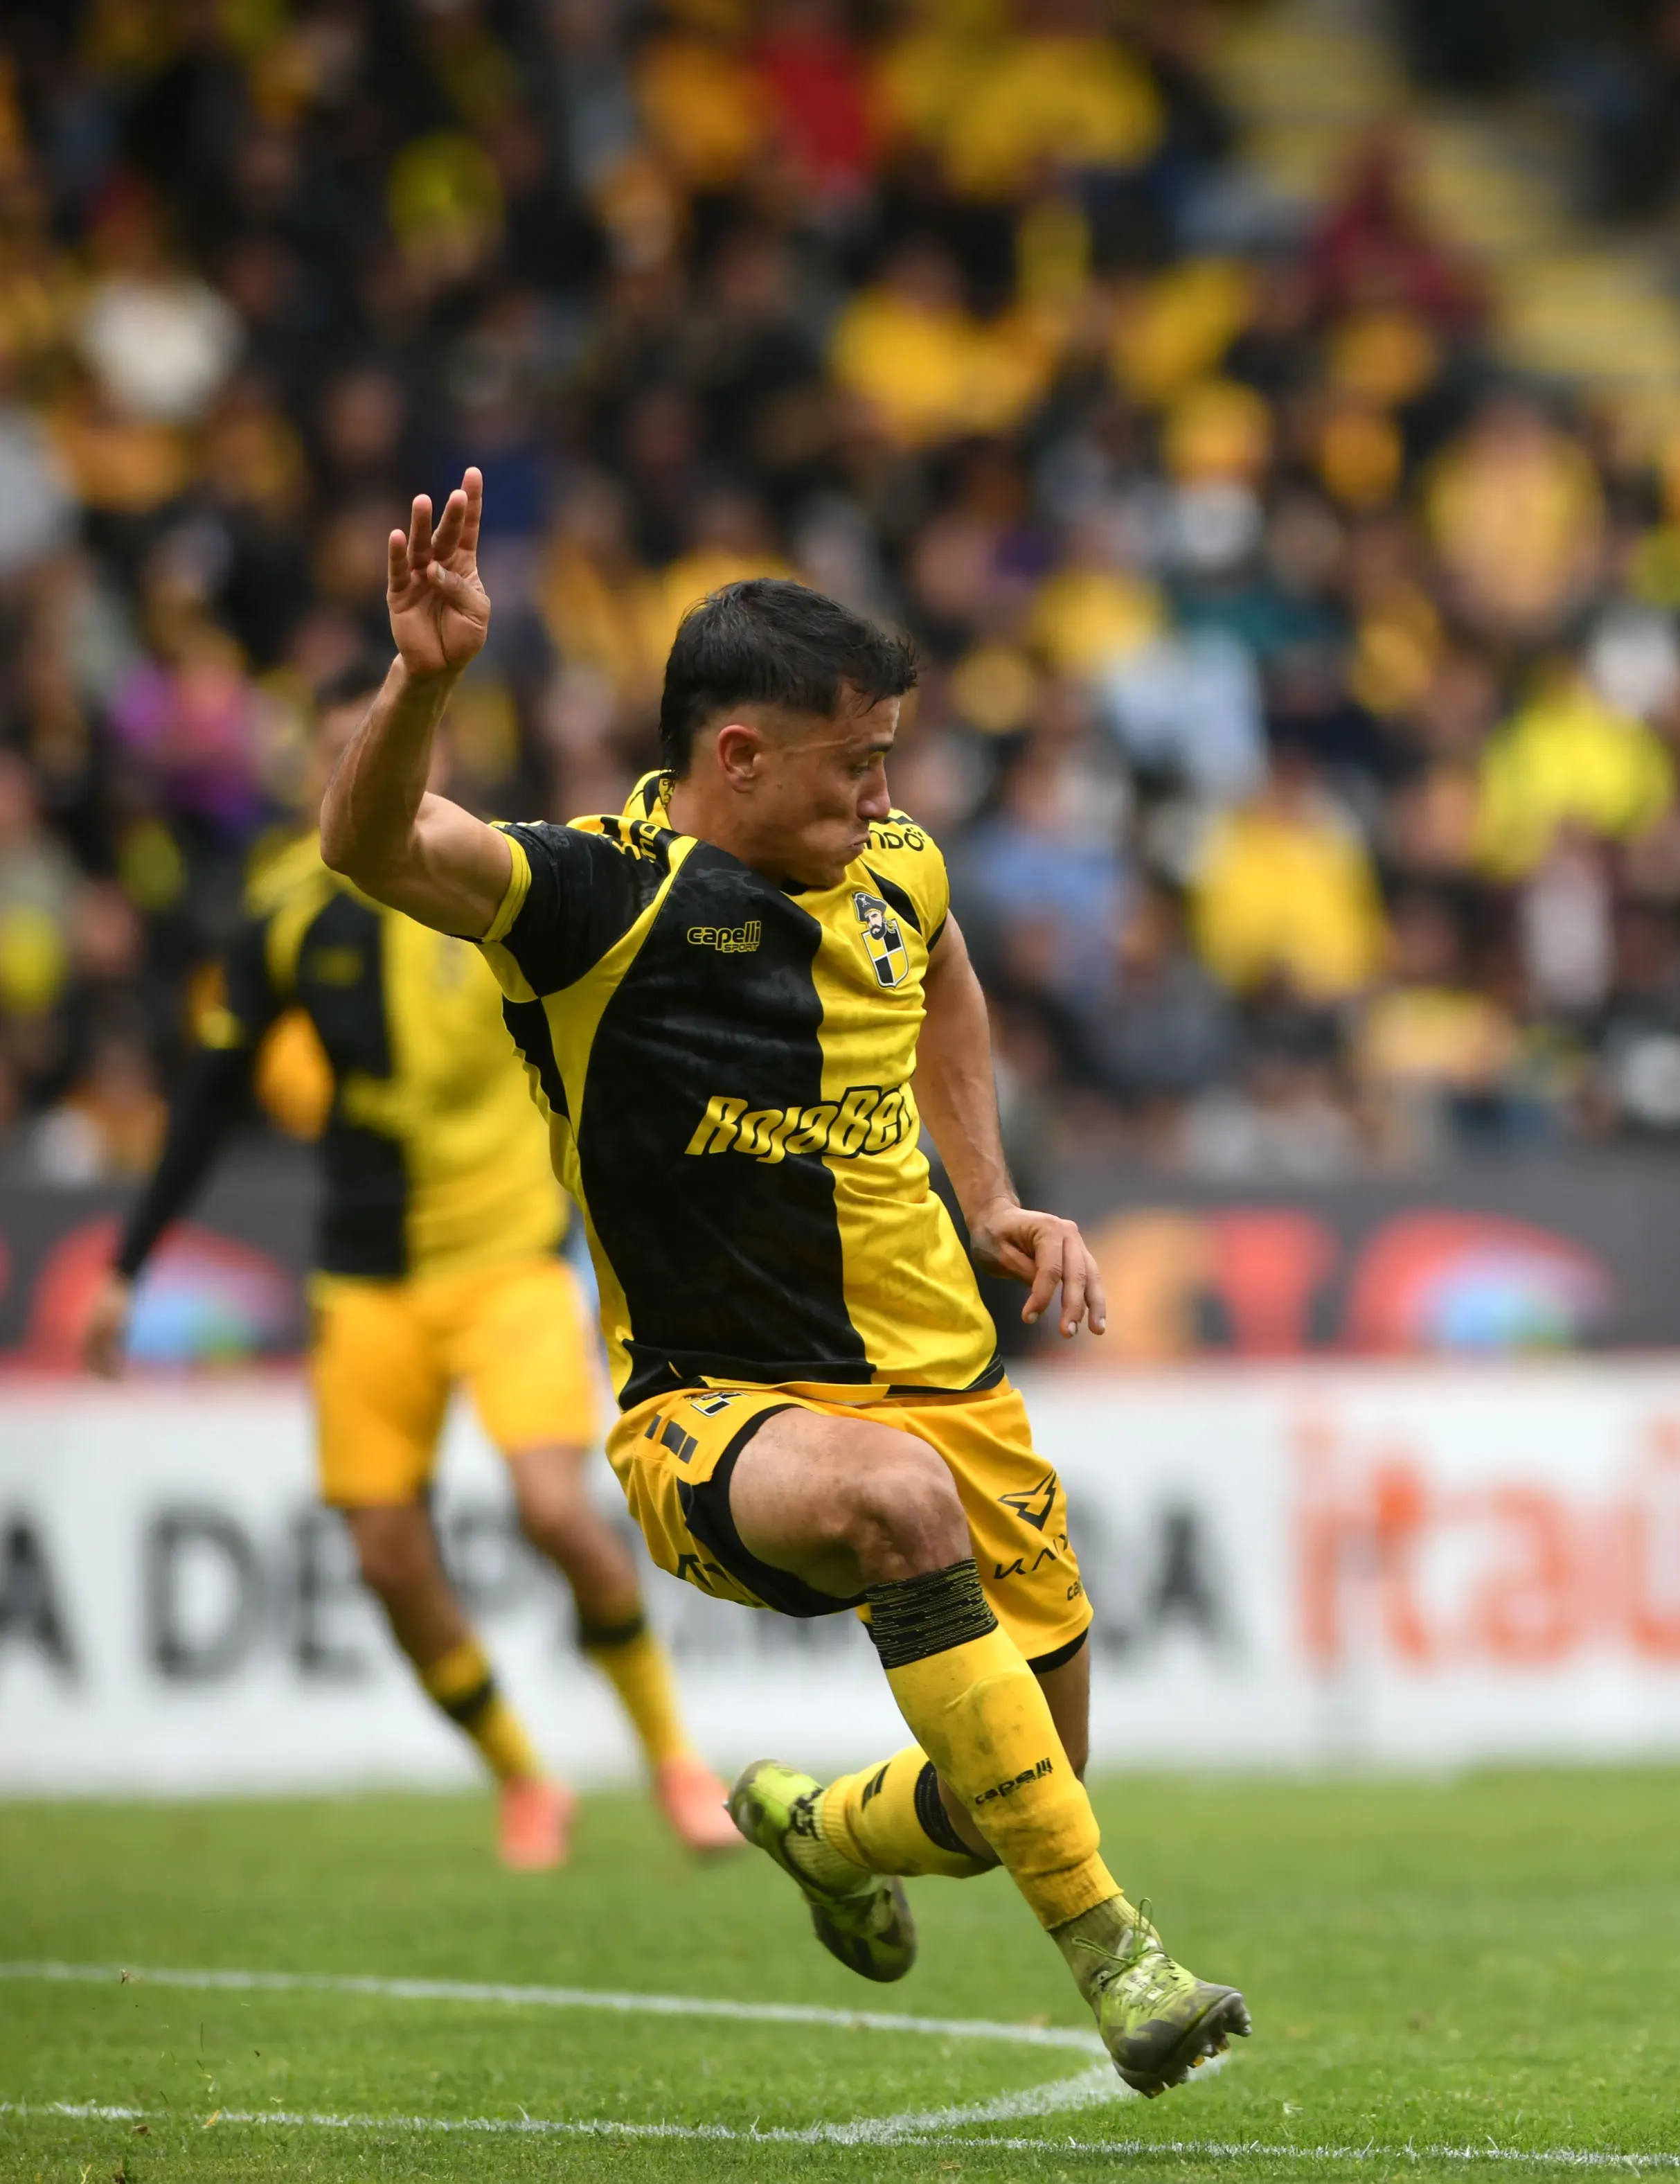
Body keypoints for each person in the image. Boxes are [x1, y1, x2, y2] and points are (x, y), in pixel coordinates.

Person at [317, 472, 1245, 2096]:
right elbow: (371, 841)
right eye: (857, 760)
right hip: (720, 1421)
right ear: (735, 758)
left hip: (958, 1398)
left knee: (1016, 1784)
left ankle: (819, 1825)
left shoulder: (900, 871)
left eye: (890, 753)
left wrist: (998, 1196)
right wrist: (427, 679)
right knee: (894, 1502)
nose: (888, 790)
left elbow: (945, 977)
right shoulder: (601, 899)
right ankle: (1121, 1953)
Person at [87, 659, 738, 1872]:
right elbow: (212, 1097)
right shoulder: (285, 914)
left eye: (385, 745)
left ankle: (672, 1758)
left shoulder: (505, 877)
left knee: (555, 1509)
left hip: (507, 1264)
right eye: (346, 750)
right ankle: (522, 1775)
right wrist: (128, 1264)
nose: (366, 771)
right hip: (367, 1277)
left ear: (427, 752)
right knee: (387, 1556)